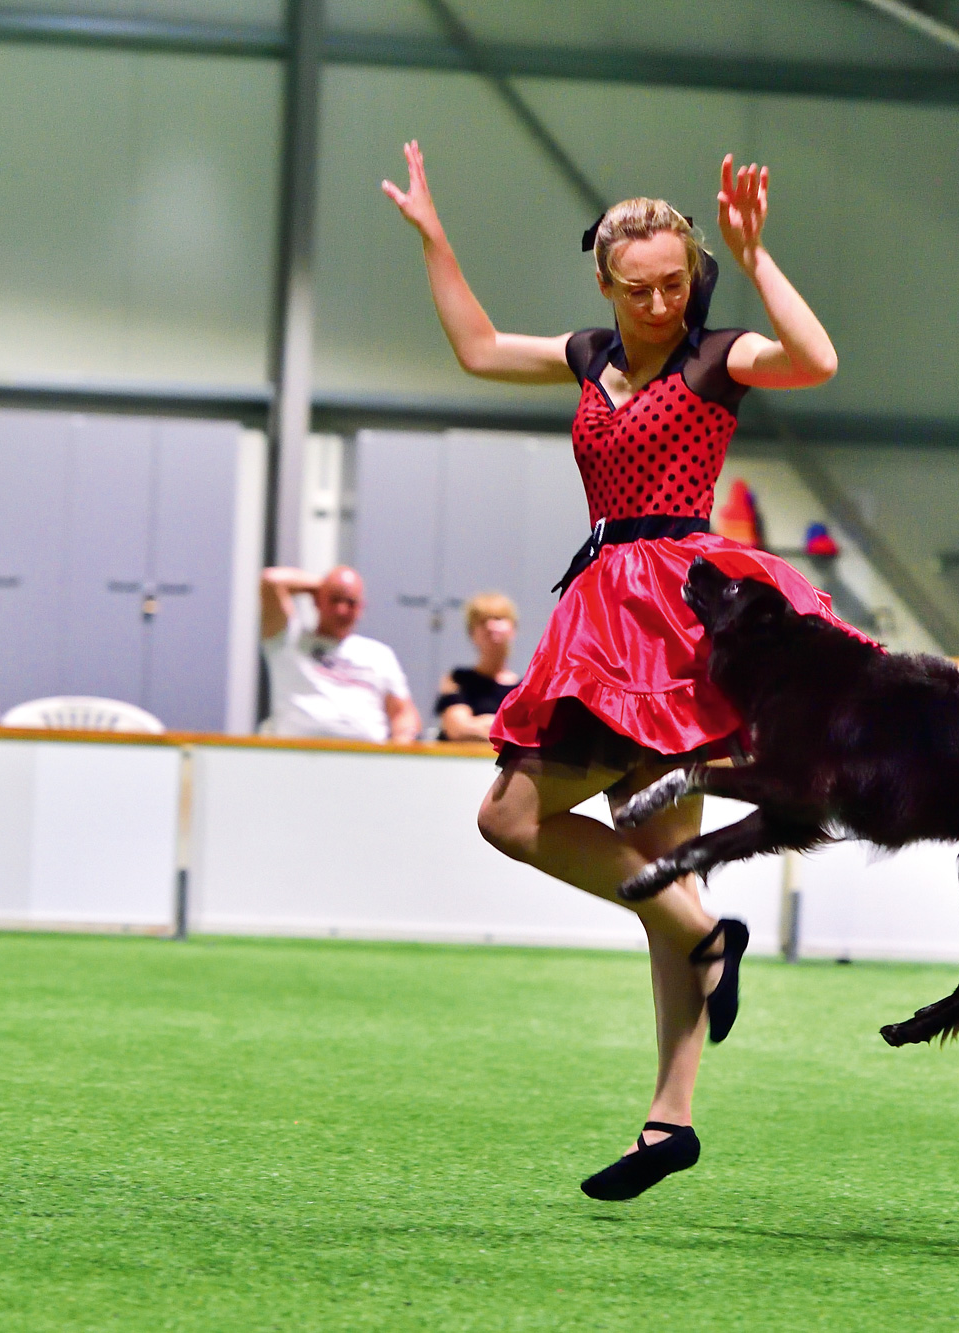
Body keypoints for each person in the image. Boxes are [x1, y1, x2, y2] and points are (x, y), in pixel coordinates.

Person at [384, 143, 864, 1198]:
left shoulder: (718, 357)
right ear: (604, 282)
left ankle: (683, 1042)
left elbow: (816, 359)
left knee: (540, 826)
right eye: (638, 287)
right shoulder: (590, 353)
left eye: (675, 283)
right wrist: (434, 237)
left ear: (694, 275)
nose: (658, 304)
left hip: (675, 615)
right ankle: (676, 1083)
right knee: (627, 859)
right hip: (604, 608)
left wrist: (757, 255)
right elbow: (475, 348)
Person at [259, 565, 420, 744]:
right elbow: (271, 580)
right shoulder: (287, 641)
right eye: (334, 599)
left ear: (361, 608)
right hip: (296, 753)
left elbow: (403, 713)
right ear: (317, 600)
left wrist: (400, 744)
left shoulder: (380, 655)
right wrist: (324, 584)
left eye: (351, 602)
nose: (341, 610)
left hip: (365, 756)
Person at [436, 592, 521, 742]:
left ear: (513, 628)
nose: (491, 626)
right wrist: (509, 728)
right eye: (482, 621)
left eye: (498, 618)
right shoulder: (458, 679)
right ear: (471, 633)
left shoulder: (525, 688)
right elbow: (458, 730)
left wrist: (485, 722)